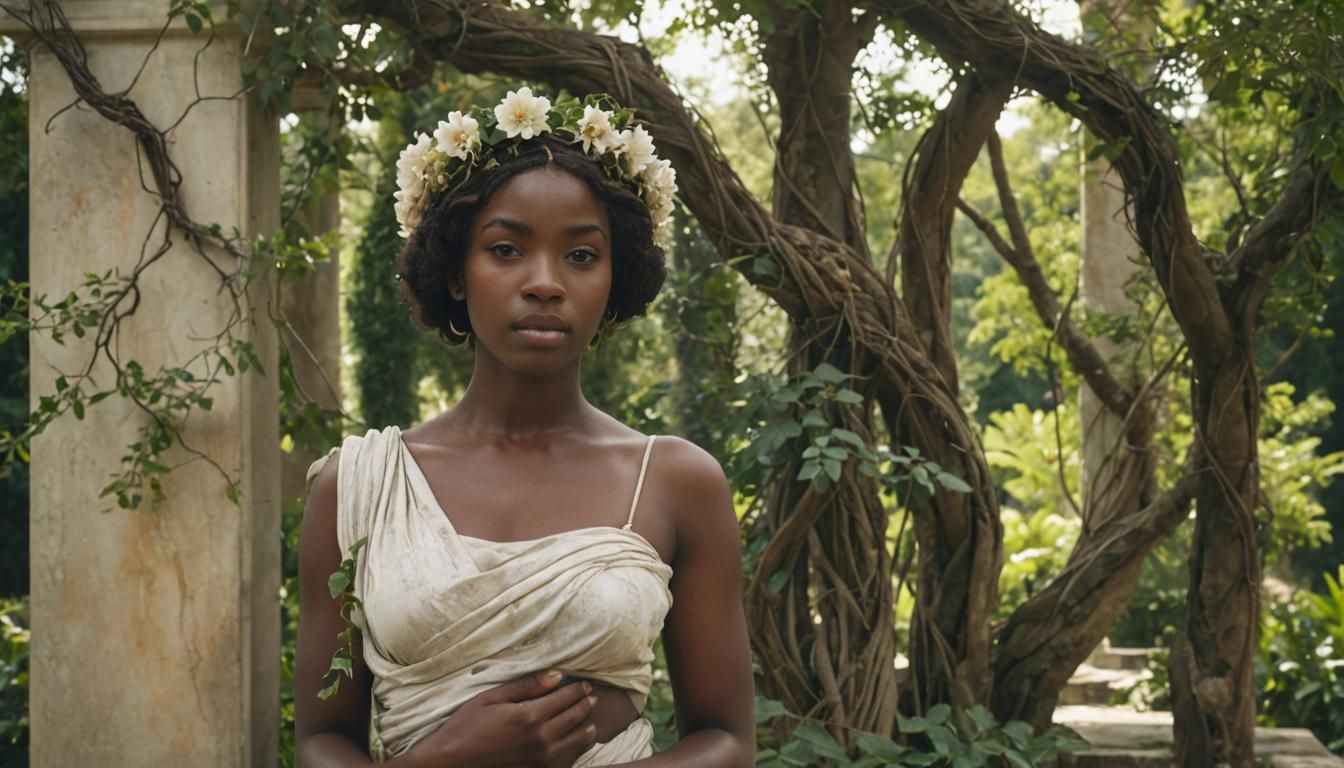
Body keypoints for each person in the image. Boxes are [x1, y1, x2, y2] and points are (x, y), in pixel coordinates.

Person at [293, 89, 755, 767]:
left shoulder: (675, 482)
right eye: (506, 250)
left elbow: (728, 742)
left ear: (614, 277)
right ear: (455, 270)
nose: (545, 282)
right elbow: (319, 742)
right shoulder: (360, 487)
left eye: (580, 256)